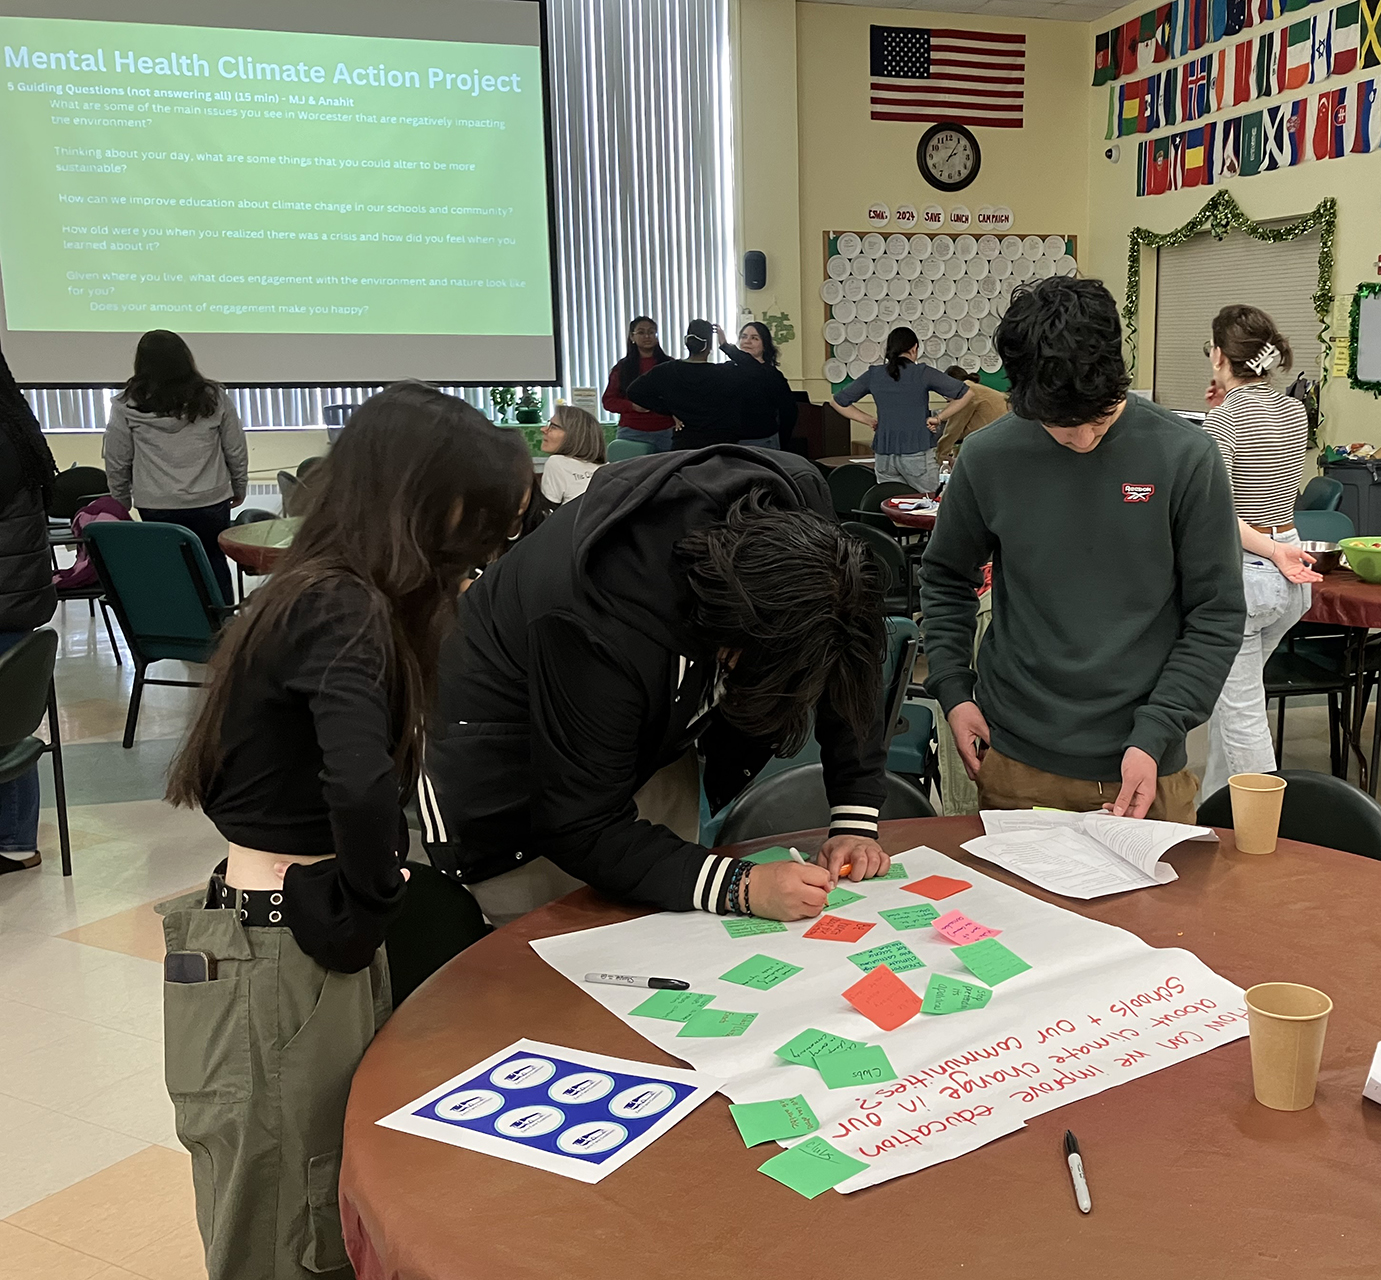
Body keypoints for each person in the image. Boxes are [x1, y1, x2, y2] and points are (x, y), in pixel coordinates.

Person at [158, 386, 529, 1280]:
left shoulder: (312, 594)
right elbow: (360, 783)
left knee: (310, 1194)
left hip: (271, 929)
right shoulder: (342, 606)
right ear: (424, 499)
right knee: (290, 1220)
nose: (480, 547)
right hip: (283, 945)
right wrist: (373, 899)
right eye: (475, 519)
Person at [420, 445, 893, 924]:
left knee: (668, 915)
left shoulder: (799, 515)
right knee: (554, 944)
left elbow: (848, 667)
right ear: (731, 648)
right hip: (507, 768)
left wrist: (853, 819)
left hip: (646, 722)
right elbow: (579, 823)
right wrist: (739, 885)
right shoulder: (597, 613)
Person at [918, 276, 1243, 823]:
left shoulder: (1186, 456)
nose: (1084, 440)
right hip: (1015, 760)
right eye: (1061, 428)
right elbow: (947, 576)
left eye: (1100, 419)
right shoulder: (988, 457)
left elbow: (1216, 612)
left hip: (1147, 770)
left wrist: (1160, 728)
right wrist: (954, 688)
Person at [1198, 305, 1322, 798]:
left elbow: (1221, 517)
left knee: (1242, 713)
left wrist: (1216, 413)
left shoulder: (1223, 421)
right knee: (1233, 704)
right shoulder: (1294, 409)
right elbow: (1266, 468)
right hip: (1288, 570)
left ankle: (1262, 824)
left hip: (1251, 568)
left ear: (1219, 355)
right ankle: (1213, 809)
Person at [102, 330, 248, 603]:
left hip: (156, 503)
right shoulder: (214, 397)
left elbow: (117, 460)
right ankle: (223, 629)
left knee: (169, 568)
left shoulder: (126, 405)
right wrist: (239, 486)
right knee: (214, 561)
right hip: (210, 498)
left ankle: (180, 630)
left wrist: (120, 502)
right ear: (185, 358)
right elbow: (235, 448)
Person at [0, 344, 56, 875]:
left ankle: (15, 841)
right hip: (18, 598)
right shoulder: (14, 423)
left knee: (8, 720)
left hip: (6, 603)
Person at [828, 328, 971, 493]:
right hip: (917, 451)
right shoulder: (922, 373)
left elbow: (837, 402)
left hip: (884, 455)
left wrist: (869, 420)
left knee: (891, 503)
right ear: (914, 349)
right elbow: (967, 393)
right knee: (932, 502)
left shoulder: (874, 374)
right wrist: (939, 418)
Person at [623, 319, 762, 450]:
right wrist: (725, 345)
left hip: (684, 446)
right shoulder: (725, 373)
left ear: (687, 343)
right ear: (708, 346)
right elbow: (756, 369)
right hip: (720, 446)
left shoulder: (667, 370)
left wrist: (670, 410)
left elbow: (634, 392)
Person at [602, 316, 677, 450]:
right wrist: (632, 406)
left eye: (651, 332)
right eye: (641, 332)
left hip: (666, 431)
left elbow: (680, 396)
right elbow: (608, 401)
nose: (647, 336)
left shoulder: (670, 365)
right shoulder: (623, 367)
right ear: (632, 337)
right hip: (631, 432)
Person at [722, 320, 797, 450]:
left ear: (764, 345)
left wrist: (782, 441)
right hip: (732, 441)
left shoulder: (771, 374)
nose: (747, 341)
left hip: (763, 441)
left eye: (754, 338)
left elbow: (789, 412)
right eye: (743, 337)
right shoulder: (729, 369)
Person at [935, 367, 1009, 465]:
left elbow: (953, 429)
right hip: (1003, 442)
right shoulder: (977, 388)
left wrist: (940, 455)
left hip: (992, 446)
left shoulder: (964, 391)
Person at [538, 404, 607, 505]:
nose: (543, 429)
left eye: (553, 426)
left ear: (574, 435)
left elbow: (548, 512)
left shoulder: (557, 462)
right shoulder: (607, 468)